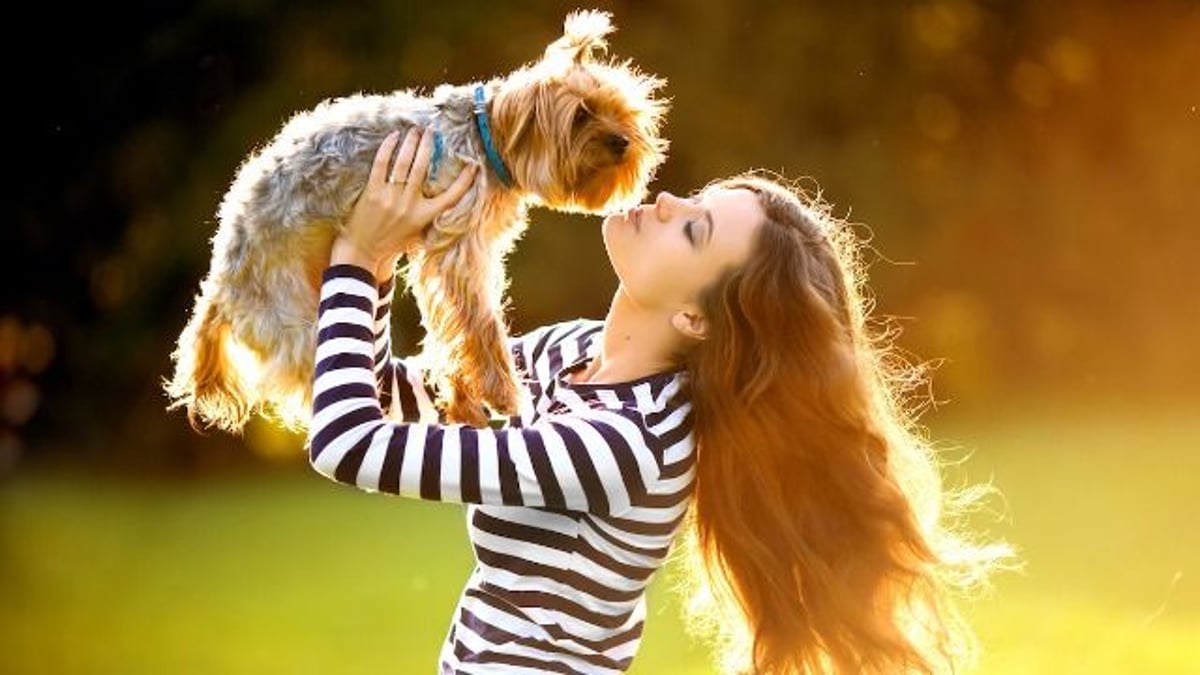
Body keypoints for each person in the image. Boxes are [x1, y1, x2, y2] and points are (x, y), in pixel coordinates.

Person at [307, 127, 1015, 674]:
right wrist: (373, 260)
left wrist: (359, 259)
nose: (669, 201)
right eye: (696, 200)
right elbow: (393, 399)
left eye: (694, 228)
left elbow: (348, 444)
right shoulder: (574, 353)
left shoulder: (628, 443)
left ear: (695, 319)